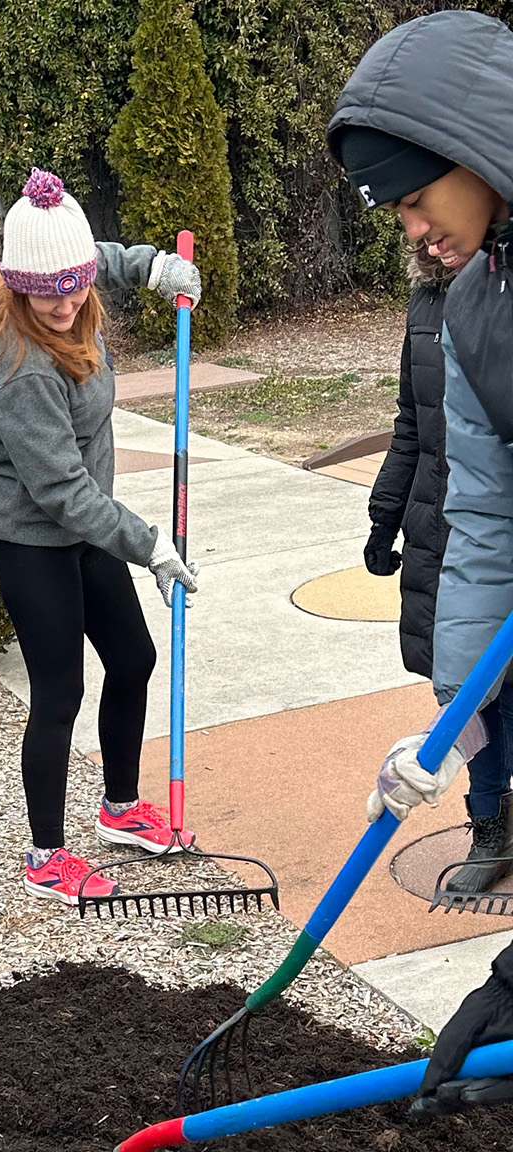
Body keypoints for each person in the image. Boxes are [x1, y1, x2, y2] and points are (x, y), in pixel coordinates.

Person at [328, 7, 513, 1111]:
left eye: (413, 199)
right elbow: (488, 519)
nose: (412, 230)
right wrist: (462, 712)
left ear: (481, 149)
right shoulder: (478, 302)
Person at [0, 168, 202, 905]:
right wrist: (152, 543)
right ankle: (45, 855)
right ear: (16, 286)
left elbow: (98, 255)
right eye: (48, 291)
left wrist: (157, 266)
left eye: (76, 285)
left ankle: (121, 808)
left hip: (84, 518)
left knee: (133, 655)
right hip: (31, 536)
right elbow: (62, 492)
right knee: (60, 689)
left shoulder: (71, 277)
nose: (66, 301)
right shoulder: (19, 370)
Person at [364, 243, 513, 893]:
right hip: (445, 531)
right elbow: (411, 424)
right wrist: (384, 514)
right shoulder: (428, 307)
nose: (429, 238)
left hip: (494, 520)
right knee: (480, 698)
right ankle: (491, 826)